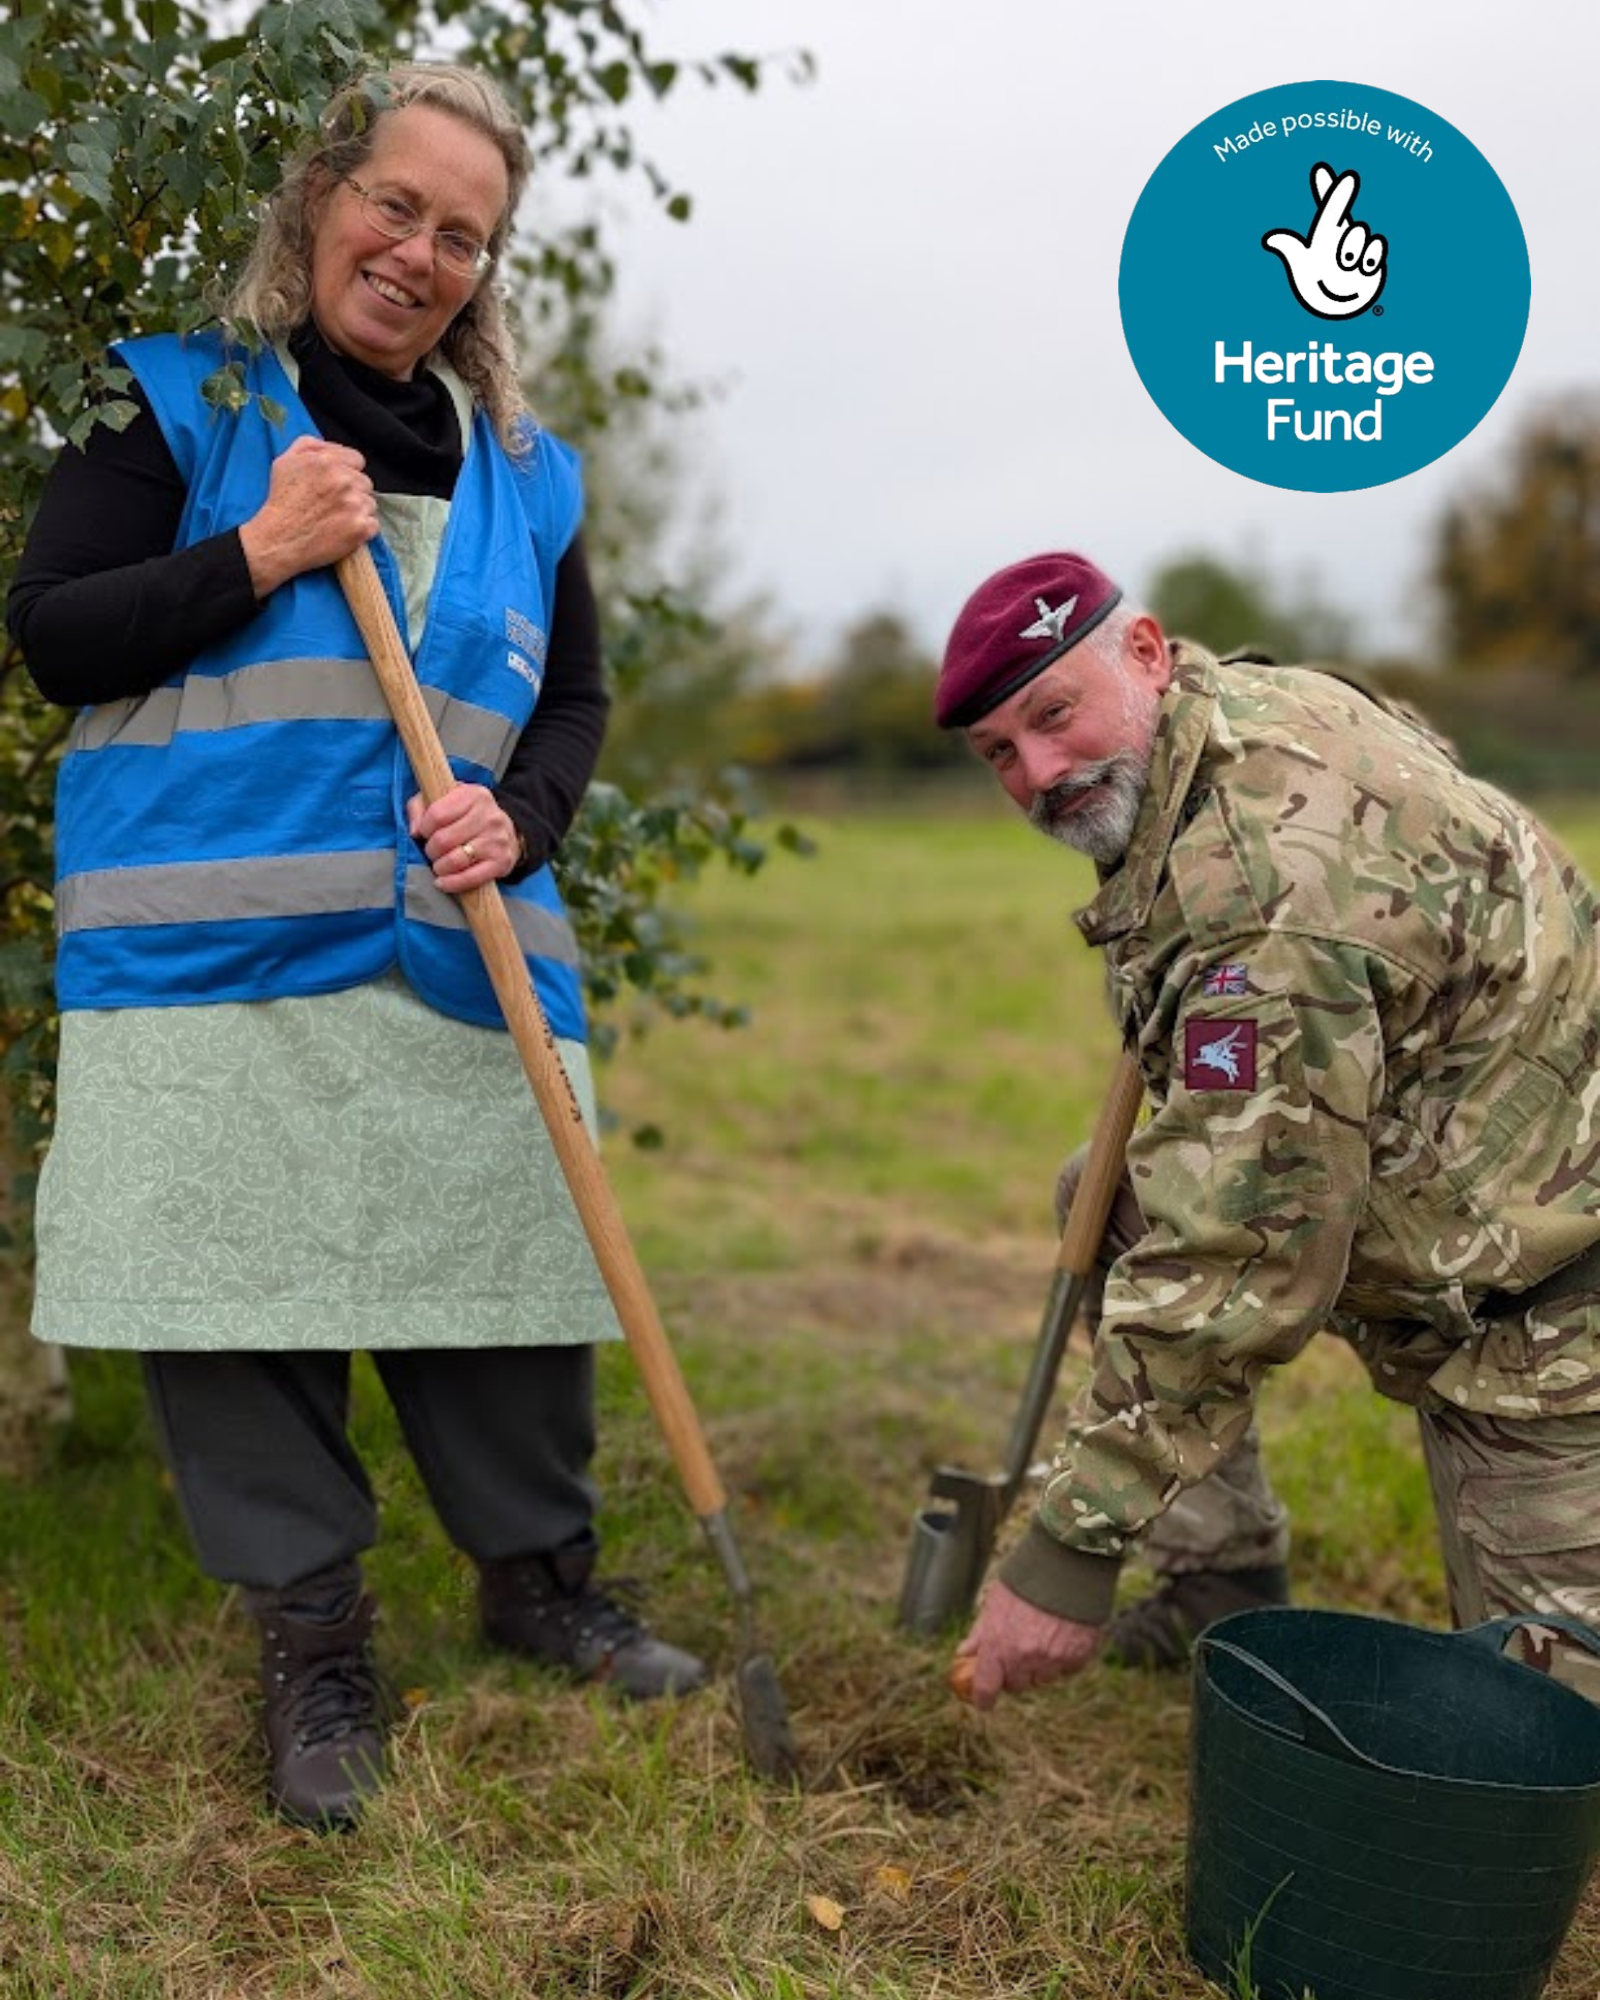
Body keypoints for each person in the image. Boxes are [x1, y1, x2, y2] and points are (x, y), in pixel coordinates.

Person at [7, 60, 706, 1832]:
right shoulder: (176, 405)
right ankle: (316, 1638)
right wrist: (254, 548)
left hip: (462, 943)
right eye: (394, 204)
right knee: (235, 1295)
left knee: (503, 1260)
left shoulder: (527, 475)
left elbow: (579, 698)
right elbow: (59, 638)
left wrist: (526, 821)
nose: (419, 253)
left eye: (462, 235)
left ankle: (539, 1580)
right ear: (322, 195)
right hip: (206, 969)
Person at [934, 550, 1600, 1711]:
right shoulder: (1229, 711)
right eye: (999, 751)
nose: (1038, 771)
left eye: (1053, 715)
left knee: (1536, 1736)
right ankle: (1217, 1575)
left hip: (1547, 1293)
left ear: (1144, 653)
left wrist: (1067, 1550)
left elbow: (1244, 1249)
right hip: (1449, 1182)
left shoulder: (1259, 891)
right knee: (1107, 1197)